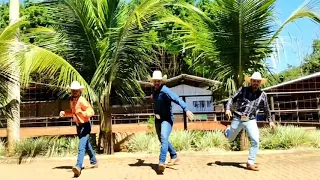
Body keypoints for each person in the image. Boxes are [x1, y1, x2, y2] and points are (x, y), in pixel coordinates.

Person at [224, 72, 276, 171]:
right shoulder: (242, 90)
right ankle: (227, 131)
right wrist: (227, 109)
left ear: (260, 82)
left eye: (258, 81)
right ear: (251, 81)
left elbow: (266, 109)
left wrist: (270, 121)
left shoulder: (263, 95)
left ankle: (250, 162)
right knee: (230, 139)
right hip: (238, 118)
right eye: (254, 81)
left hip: (250, 120)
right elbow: (231, 99)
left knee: (255, 140)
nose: (256, 83)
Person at [148, 70, 194, 173]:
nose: (156, 83)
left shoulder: (165, 91)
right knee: (162, 139)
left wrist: (186, 109)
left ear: (161, 81)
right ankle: (174, 155)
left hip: (166, 119)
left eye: (158, 81)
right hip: (157, 119)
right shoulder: (155, 91)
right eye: (155, 81)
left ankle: (161, 162)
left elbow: (177, 99)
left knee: (164, 137)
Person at [59, 81, 98, 177]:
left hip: (85, 125)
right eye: (73, 90)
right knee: (86, 144)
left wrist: (83, 113)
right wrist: (65, 112)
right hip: (78, 126)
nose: (74, 92)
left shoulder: (82, 100)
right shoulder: (72, 100)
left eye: (76, 90)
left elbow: (91, 111)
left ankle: (78, 166)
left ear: (79, 91)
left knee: (81, 146)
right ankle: (94, 161)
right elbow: (73, 112)